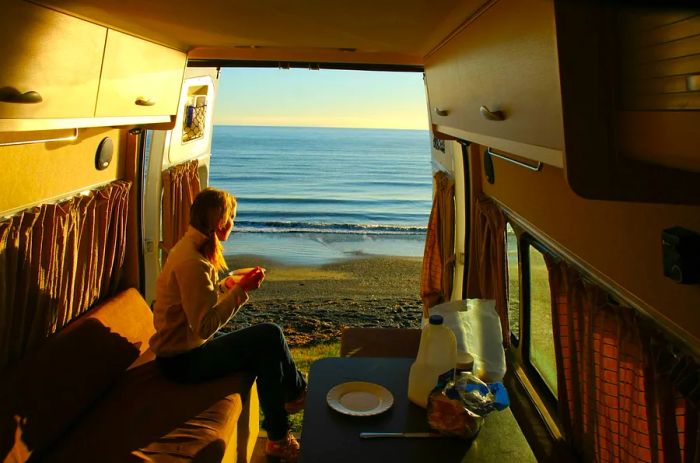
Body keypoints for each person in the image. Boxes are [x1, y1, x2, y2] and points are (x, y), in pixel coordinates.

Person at [149, 187, 306, 462]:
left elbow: (198, 300)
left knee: (266, 346)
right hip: (182, 362)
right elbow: (204, 326)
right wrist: (240, 292)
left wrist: (226, 285)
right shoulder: (193, 262)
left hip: (185, 352)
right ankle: (291, 404)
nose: (233, 222)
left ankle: (285, 419)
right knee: (269, 335)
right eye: (231, 216)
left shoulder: (190, 247)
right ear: (220, 222)